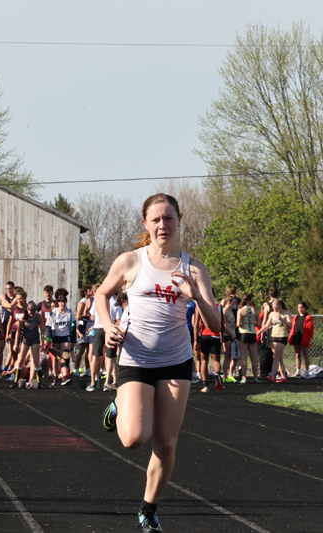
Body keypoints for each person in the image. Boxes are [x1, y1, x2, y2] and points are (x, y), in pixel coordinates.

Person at [97, 193, 219, 532]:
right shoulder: (130, 262)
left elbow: (217, 323)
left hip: (176, 361)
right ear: (145, 224)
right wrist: (109, 327)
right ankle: (119, 404)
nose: (162, 225)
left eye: (169, 218)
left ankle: (148, 509)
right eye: (156, 219)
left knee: (165, 442)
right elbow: (101, 293)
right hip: (136, 358)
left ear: (179, 221)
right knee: (134, 438)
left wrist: (195, 296)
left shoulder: (194, 268)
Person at [257, 299, 291, 383]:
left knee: (275, 357)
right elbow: (266, 325)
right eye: (273, 308)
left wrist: (282, 320)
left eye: (277, 308)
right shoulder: (272, 314)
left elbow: (290, 326)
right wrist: (259, 332)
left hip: (281, 337)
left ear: (280, 306)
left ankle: (272, 375)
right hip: (273, 337)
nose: (275, 310)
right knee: (279, 358)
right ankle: (283, 377)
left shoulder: (286, 313)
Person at [13, 301, 45, 388]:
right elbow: (18, 331)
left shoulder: (38, 316)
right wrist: (16, 344)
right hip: (25, 340)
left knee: (36, 361)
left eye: (33, 312)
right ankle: (15, 381)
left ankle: (39, 382)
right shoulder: (23, 317)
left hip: (35, 340)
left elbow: (42, 330)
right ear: (27, 310)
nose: (31, 315)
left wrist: (42, 343)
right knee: (20, 361)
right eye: (30, 312)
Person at [236, 293, 260, 384]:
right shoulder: (255, 310)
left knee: (244, 357)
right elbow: (259, 324)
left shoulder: (241, 310)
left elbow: (238, 324)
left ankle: (244, 377)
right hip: (252, 333)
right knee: (254, 357)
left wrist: (242, 324)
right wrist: (252, 323)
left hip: (243, 333)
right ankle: (255, 377)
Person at [290, 301, 314, 378]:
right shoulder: (295, 318)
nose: (300, 309)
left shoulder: (308, 318)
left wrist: (308, 338)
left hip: (304, 339)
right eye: (299, 307)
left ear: (305, 308)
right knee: (297, 355)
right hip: (296, 337)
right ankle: (298, 371)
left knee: (305, 355)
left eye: (302, 307)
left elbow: (310, 330)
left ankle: (307, 371)